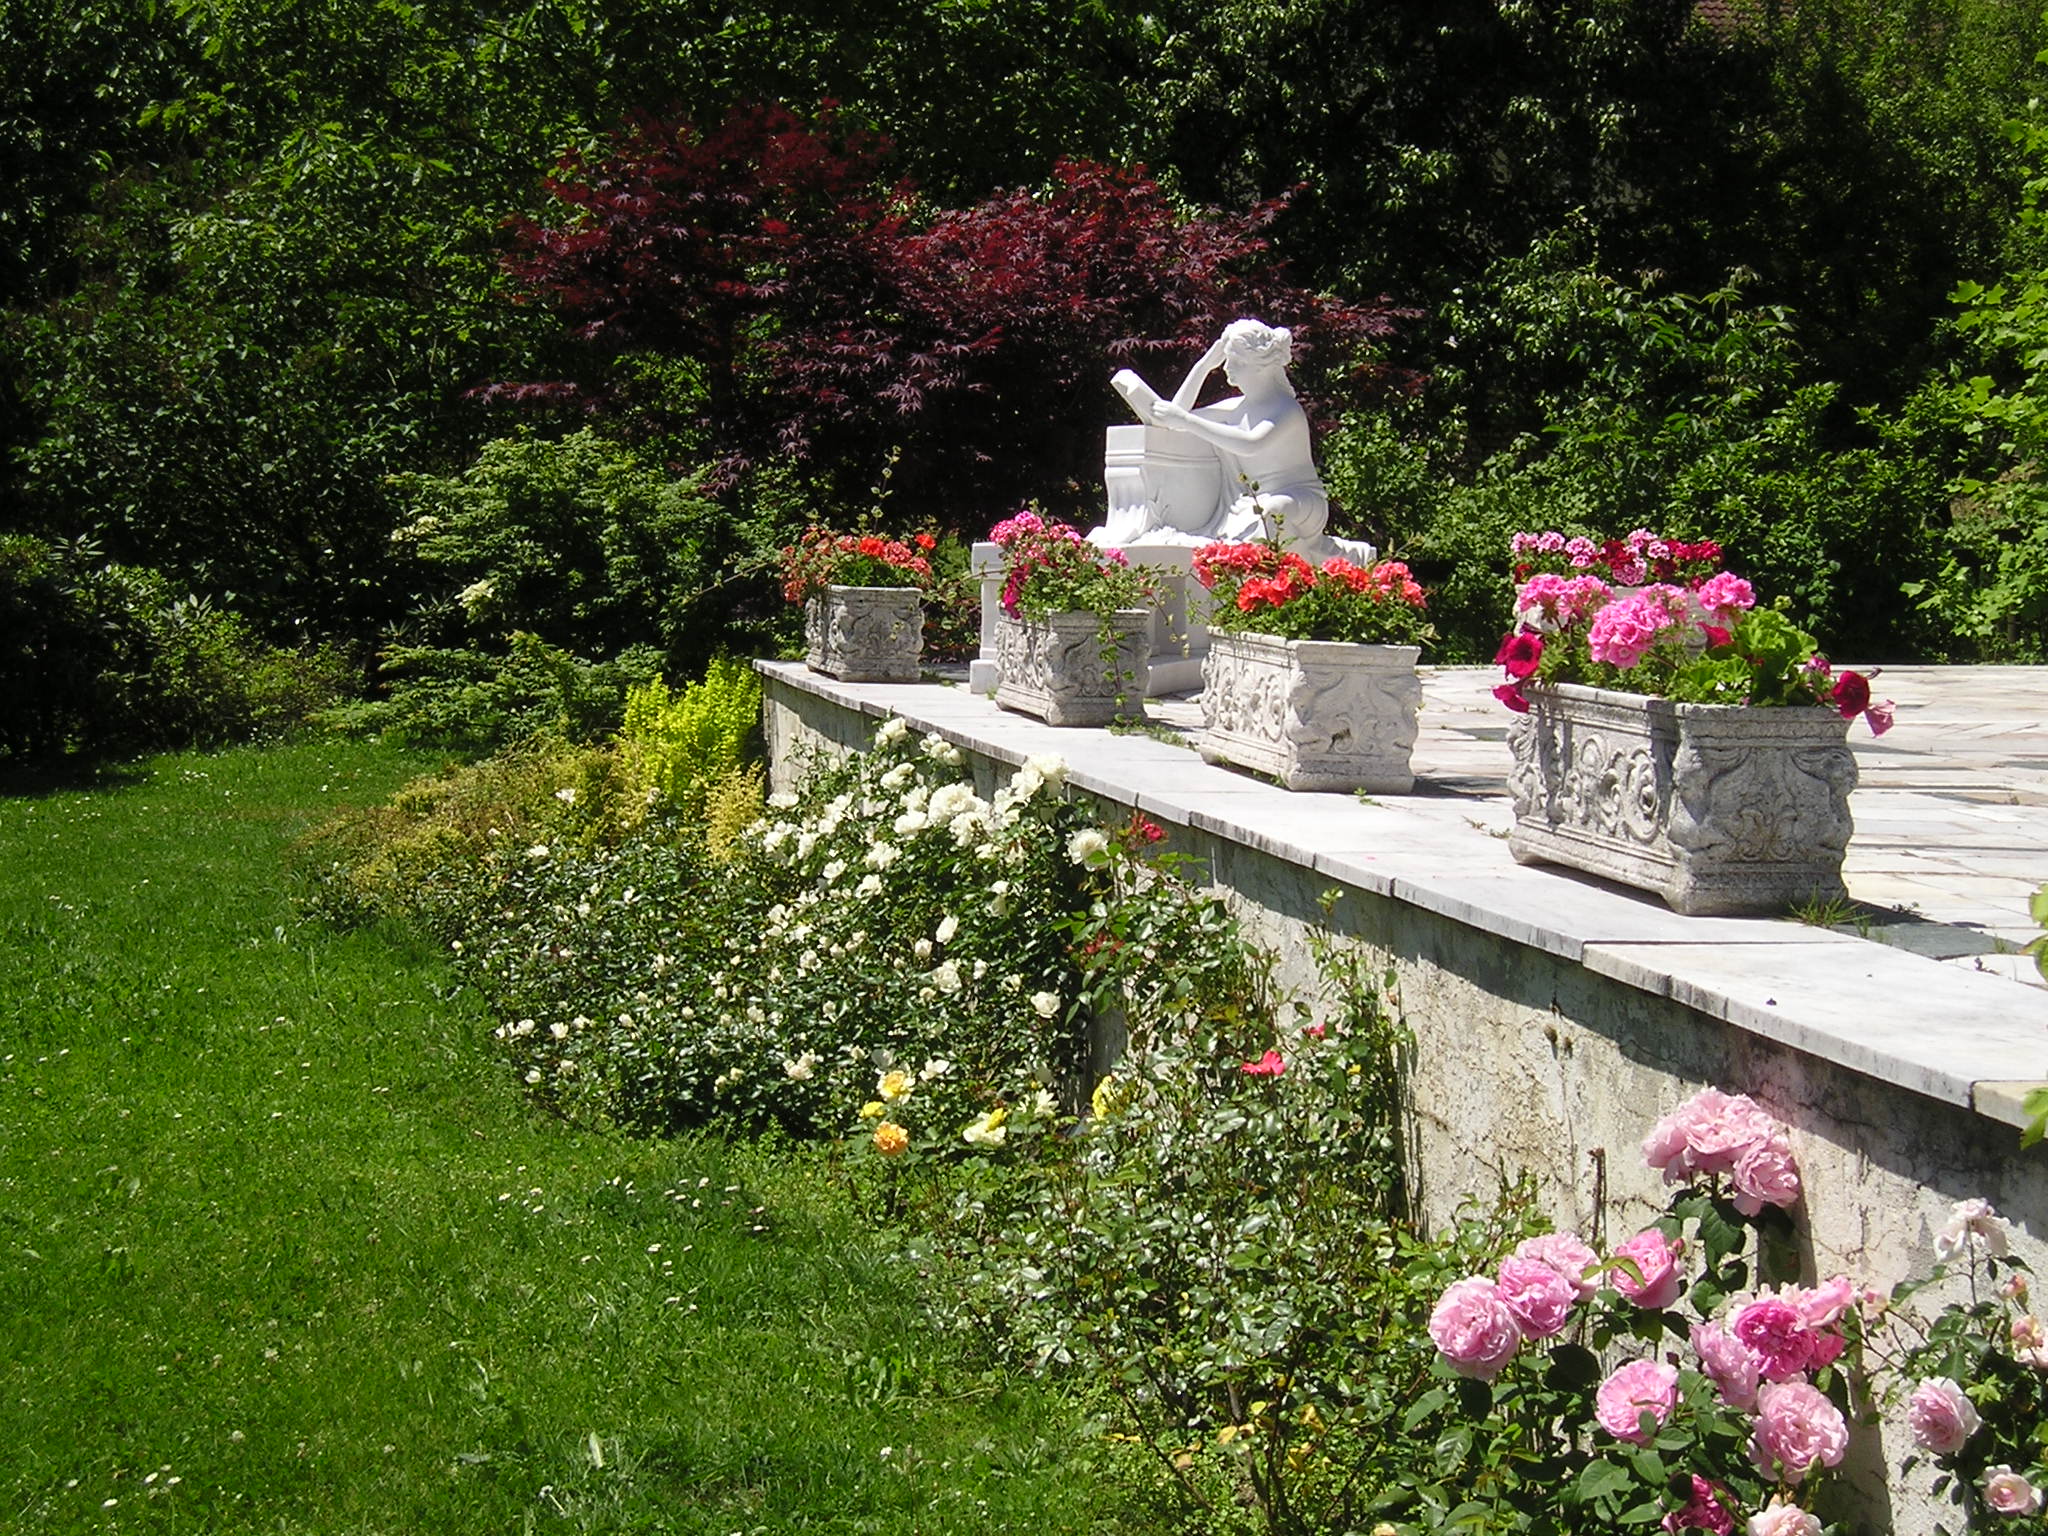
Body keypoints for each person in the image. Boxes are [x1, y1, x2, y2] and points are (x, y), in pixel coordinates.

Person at [1120, 318, 1336, 553]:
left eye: (1236, 360)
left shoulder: (1286, 409)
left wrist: (1186, 421)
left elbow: (1250, 444)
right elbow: (1174, 418)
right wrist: (1203, 366)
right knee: (1258, 515)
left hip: (1300, 501)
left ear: (1260, 365)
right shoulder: (1235, 407)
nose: (1226, 367)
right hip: (1250, 505)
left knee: (1272, 510)